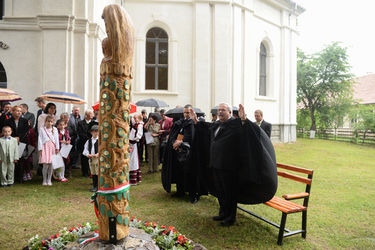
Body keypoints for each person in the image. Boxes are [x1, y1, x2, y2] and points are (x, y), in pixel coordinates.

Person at [162, 104, 195, 200]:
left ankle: (188, 191)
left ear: (191, 112)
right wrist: (174, 142)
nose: (186, 114)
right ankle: (179, 191)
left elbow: (192, 139)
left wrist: (181, 143)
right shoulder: (180, 122)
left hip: (188, 153)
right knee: (178, 172)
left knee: (187, 173)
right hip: (178, 152)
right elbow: (175, 134)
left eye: (188, 112)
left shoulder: (193, 124)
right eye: (185, 112)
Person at [38, 115, 59, 186]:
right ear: (45, 122)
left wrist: (57, 148)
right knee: (45, 164)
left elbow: (56, 139)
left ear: (53, 123)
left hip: (52, 148)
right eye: (48, 121)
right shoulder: (42, 129)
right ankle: (44, 179)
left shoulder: (55, 129)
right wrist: (40, 149)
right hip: (45, 148)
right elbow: (40, 139)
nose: (49, 123)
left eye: (51, 122)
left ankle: (49, 179)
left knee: (51, 164)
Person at [77, 109, 94, 177]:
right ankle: (85, 172)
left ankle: (91, 172)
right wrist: (87, 138)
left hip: (92, 142)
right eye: (90, 114)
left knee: (91, 157)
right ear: (86, 115)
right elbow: (80, 133)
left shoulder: (93, 123)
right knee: (84, 158)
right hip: (83, 142)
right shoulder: (80, 123)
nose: (92, 115)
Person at [82, 125, 99, 192]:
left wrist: (98, 154)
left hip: (97, 159)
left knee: (97, 172)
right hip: (91, 158)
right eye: (94, 131)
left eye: (97, 131)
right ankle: (94, 186)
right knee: (93, 172)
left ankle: (98, 186)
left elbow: (102, 150)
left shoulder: (100, 141)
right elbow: (85, 150)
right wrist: (87, 154)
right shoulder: (88, 141)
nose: (96, 133)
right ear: (91, 132)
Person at [129, 114, 143, 185]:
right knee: (130, 160)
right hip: (131, 143)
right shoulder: (135, 125)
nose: (134, 119)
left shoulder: (139, 125)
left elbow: (139, 135)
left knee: (133, 160)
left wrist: (133, 140)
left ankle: (133, 179)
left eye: (135, 118)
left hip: (133, 144)